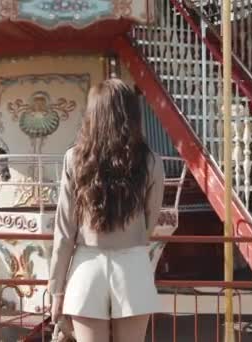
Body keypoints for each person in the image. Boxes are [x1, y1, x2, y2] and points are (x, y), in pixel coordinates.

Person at [49, 78, 165, 342]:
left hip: (86, 266)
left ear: (93, 114)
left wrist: (56, 290)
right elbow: (150, 220)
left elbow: (64, 232)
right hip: (133, 264)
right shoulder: (150, 162)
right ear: (133, 114)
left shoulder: (74, 159)